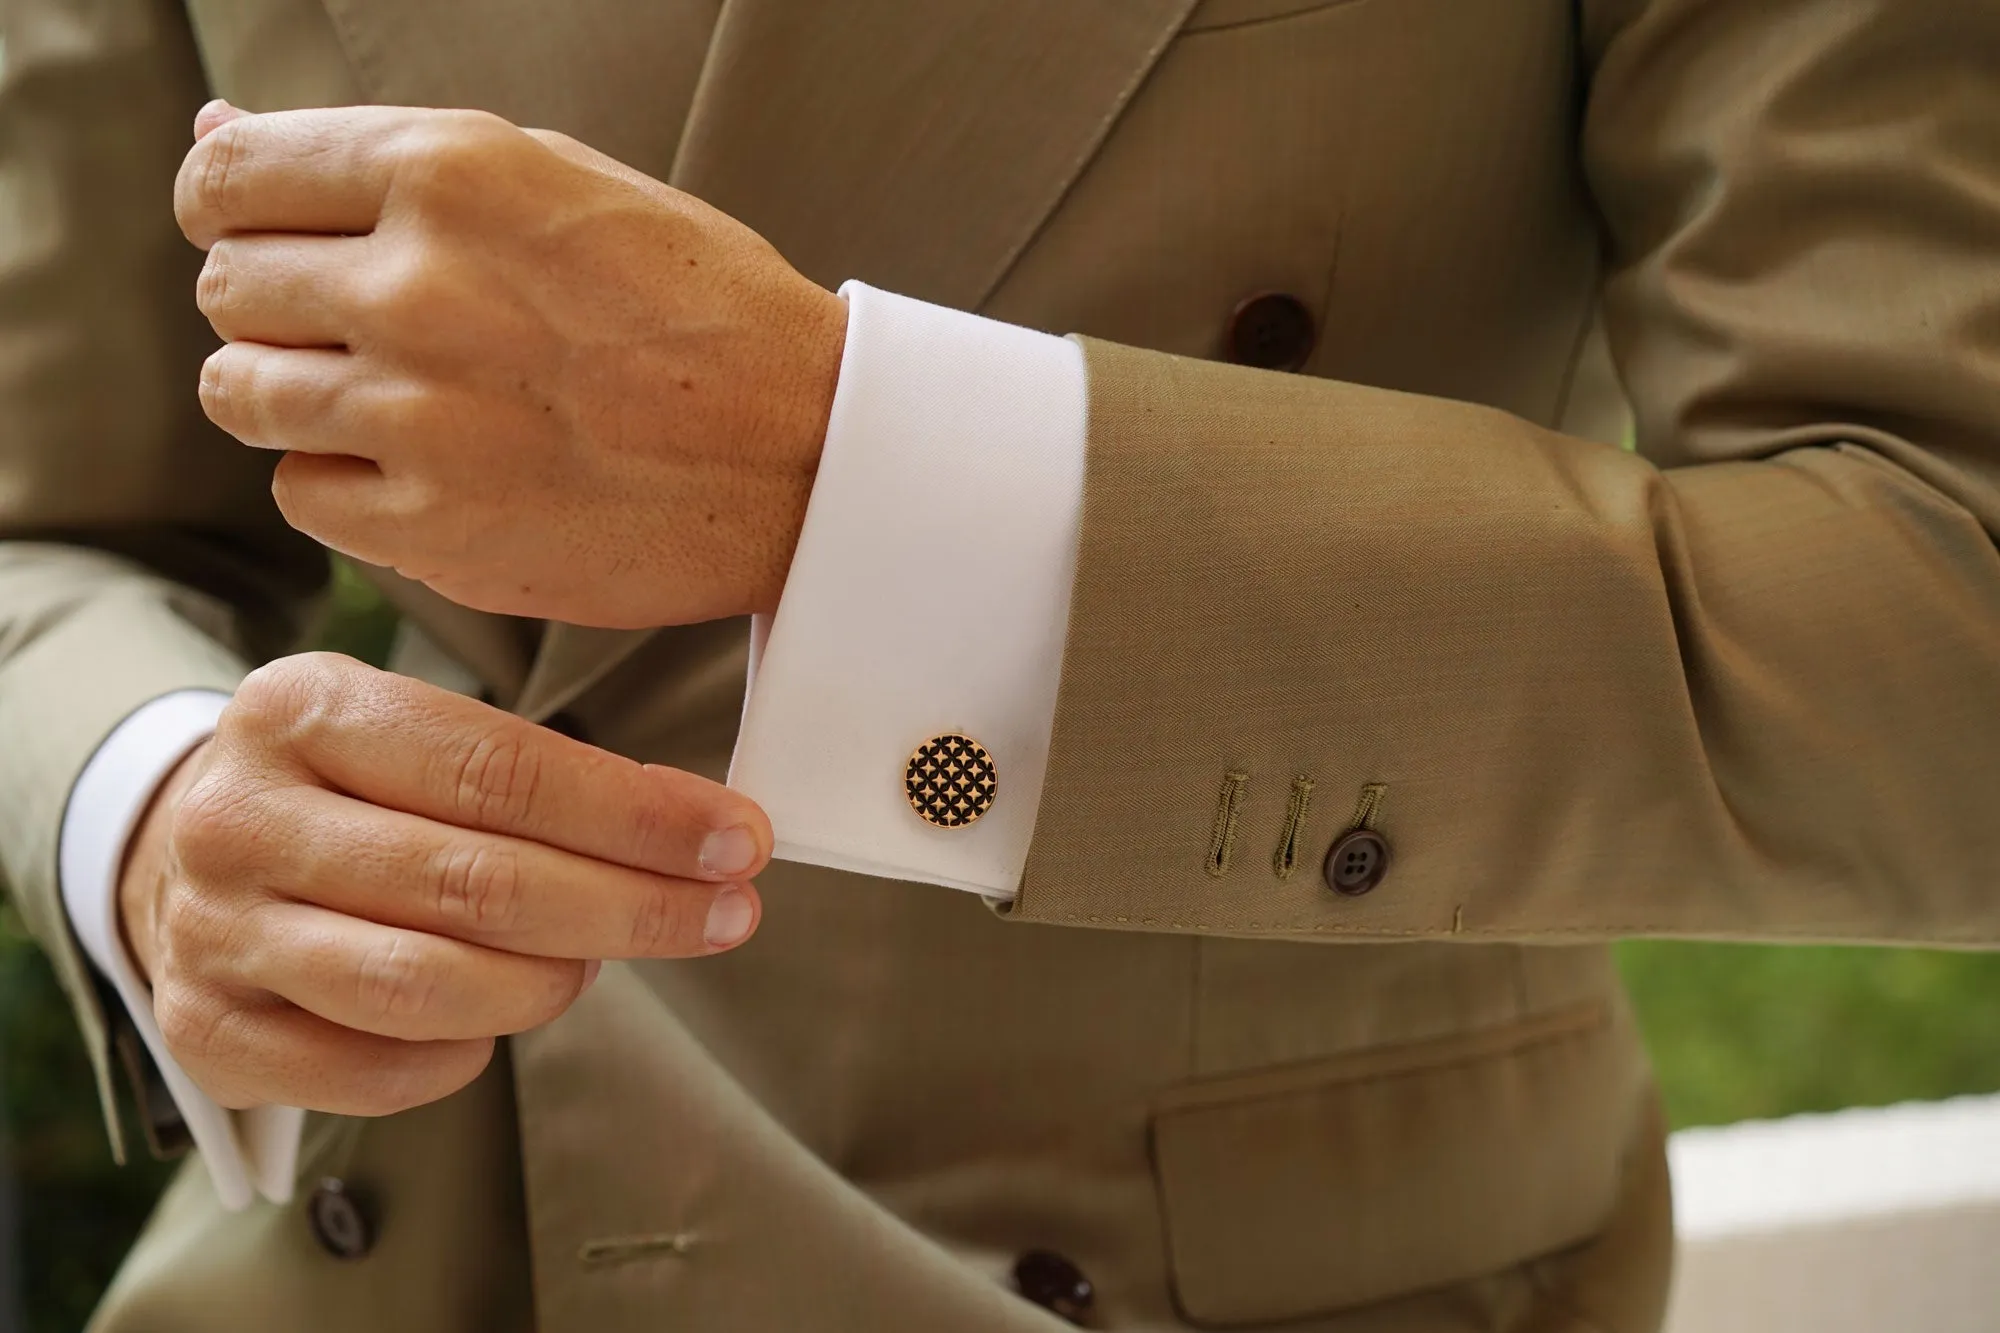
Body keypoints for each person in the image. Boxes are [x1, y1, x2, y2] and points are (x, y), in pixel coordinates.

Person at [3, 0, 1997, 1328]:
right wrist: (150, 803)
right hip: (386, 1255)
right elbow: (52, 525)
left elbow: (1944, 617)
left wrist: (862, 474)